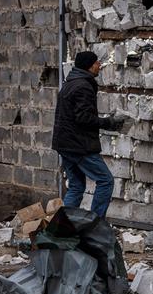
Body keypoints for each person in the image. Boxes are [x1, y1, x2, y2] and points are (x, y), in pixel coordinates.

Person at [52, 51, 126, 218]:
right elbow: (83, 118)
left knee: (77, 186)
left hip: (65, 144)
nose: (100, 65)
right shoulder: (83, 86)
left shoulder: (71, 82)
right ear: (90, 66)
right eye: (97, 62)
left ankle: (63, 230)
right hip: (78, 145)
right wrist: (108, 122)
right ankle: (94, 226)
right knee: (106, 181)